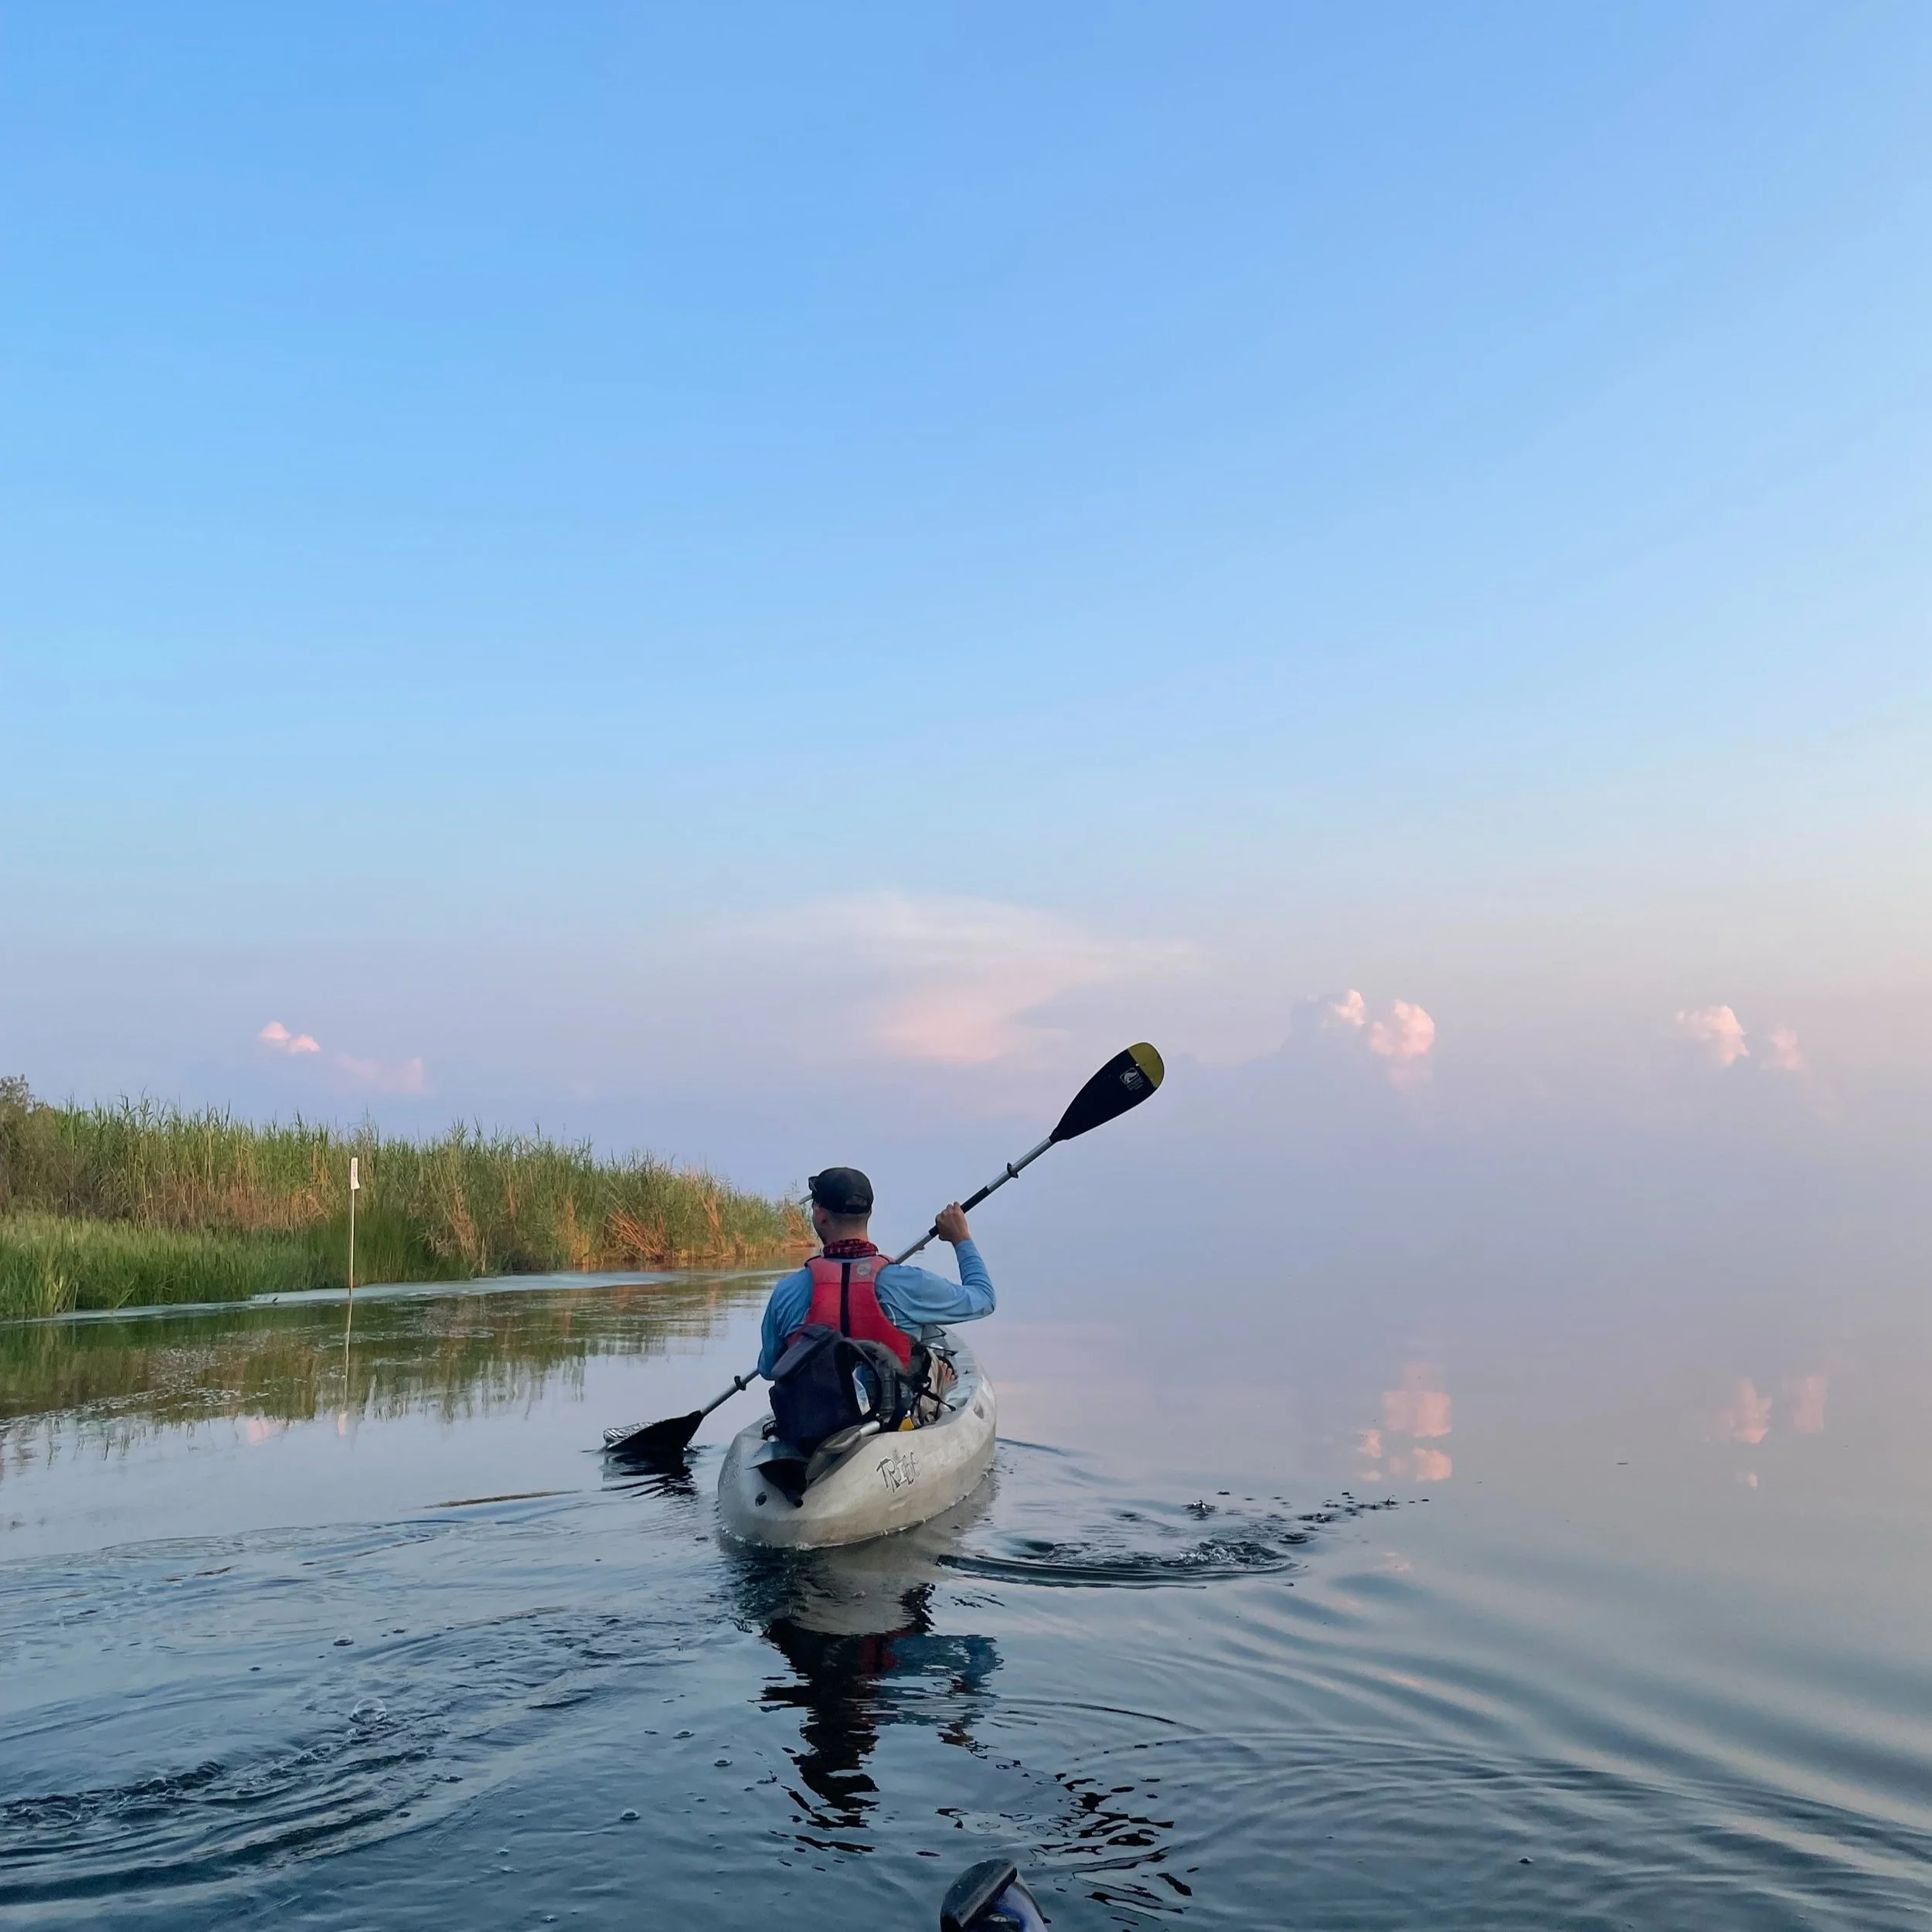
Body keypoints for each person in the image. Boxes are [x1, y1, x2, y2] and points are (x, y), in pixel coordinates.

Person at [757, 1165, 995, 1386]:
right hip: (890, 1414)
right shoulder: (909, 1283)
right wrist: (961, 1238)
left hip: (811, 1416)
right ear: (870, 1212)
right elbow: (984, 1298)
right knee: (934, 1365)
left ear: (820, 1214)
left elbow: (768, 1369)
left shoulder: (786, 1292)